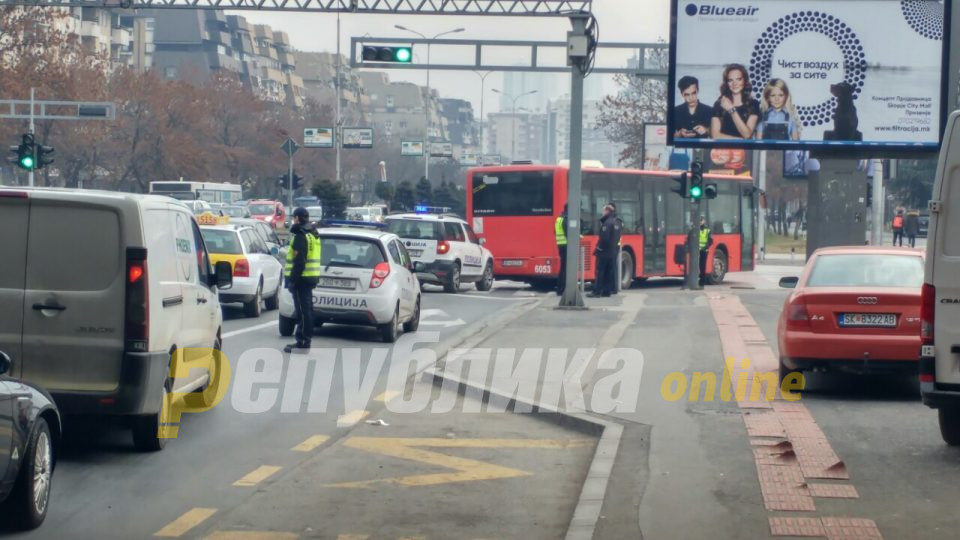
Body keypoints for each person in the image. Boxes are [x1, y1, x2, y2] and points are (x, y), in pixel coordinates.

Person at [283, 207, 322, 353]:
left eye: (294, 217)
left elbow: (299, 261)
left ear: (298, 218)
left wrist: (292, 279)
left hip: (301, 279)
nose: (293, 220)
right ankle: (305, 339)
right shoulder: (313, 234)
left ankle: (303, 340)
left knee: (302, 311)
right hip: (310, 277)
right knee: (307, 310)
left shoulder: (300, 235)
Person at [711, 64, 760, 139]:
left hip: (744, 150)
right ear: (727, 83)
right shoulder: (719, 104)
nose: (734, 83)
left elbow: (747, 135)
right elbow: (715, 135)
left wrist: (732, 110)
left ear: (744, 80)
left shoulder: (754, 104)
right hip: (722, 149)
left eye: (738, 79)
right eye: (730, 80)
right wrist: (739, 140)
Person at [590, 204, 622, 297]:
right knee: (609, 272)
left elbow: (604, 238)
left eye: (603, 211)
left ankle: (597, 291)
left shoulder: (607, 223)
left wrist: (598, 249)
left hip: (604, 252)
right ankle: (606, 291)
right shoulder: (617, 222)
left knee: (600, 271)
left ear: (607, 211)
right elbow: (618, 237)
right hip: (612, 252)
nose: (602, 213)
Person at [555, 203, 568, 295]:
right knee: (565, 268)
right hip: (566, 245)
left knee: (563, 267)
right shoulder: (566, 219)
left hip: (560, 245)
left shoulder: (559, 218)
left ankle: (560, 288)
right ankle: (562, 288)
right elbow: (569, 233)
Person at [698, 216, 713, 286]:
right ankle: (700, 280)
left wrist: (704, 247)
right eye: (699, 220)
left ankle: (702, 282)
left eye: (701, 220)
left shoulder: (708, 230)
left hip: (704, 251)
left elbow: (710, 241)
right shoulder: (697, 229)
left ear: (704, 221)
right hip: (697, 251)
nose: (700, 221)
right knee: (698, 266)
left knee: (702, 266)